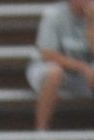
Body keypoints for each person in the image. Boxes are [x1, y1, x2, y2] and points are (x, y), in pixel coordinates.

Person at [31, 0, 94, 131]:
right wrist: (82, 67)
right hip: (48, 69)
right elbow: (48, 54)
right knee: (55, 73)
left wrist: (91, 24)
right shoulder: (54, 14)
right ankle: (42, 131)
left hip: (83, 75)